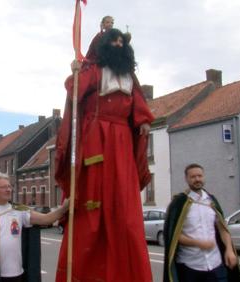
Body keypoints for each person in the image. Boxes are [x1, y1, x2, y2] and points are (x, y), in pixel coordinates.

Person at [54, 28, 154, 282]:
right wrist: (76, 71)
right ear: (103, 46)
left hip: (121, 138)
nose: (119, 44)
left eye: (122, 41)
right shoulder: (94, 70)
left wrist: (143, 121)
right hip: (96, 136)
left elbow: (139, 104)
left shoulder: (130, 77)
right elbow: (74, 92)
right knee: (94, 198)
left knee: (122, 199)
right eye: (114, 41)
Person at [0, 172, 69, 282]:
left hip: (17, 273)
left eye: (9, 186)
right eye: (4, 187)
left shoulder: (18, 210)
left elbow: (46, 219)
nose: (9, 189)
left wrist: (64, 208)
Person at [163, 163, 240, 282]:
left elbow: (222, 228)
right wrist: (198, 243)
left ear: (203, 177)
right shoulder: (179, 203)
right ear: (187, 179)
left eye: (199, 176)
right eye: (193, 177)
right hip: (190, 266)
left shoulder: (211, 200)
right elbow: (174, 236)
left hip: (216, 263)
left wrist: (229, 250)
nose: (197, 179)